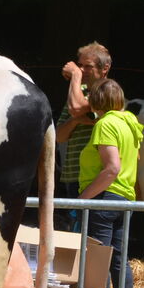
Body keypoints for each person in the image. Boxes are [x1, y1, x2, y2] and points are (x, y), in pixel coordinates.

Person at [79, 78, 144, 288]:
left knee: (99, 259)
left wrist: (83, 199)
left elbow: (111, 168)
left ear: (96, 101)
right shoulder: (131, 124)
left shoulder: (105, 124)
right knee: (119, 260)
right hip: (124, 199)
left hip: (104, 198)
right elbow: (133, 161)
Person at [56, 42, 112, 227]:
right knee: (77, 231)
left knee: (91, 235)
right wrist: (76, 121)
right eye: (79, 65)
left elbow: (76, 107)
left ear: (105, 69)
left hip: (94, 177)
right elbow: (59, 136)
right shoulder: (79, 93)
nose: (81, 69)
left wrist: (75, 77)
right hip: (73, 176)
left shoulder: (108, 93)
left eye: (87, 66)